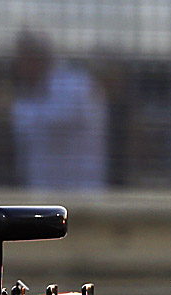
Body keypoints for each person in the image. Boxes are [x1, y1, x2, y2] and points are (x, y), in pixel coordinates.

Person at [11, 31, 107, 190]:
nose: (19, 67)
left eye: (23, 60)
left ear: (36, 58)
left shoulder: (74, 84)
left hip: (80, 192)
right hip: (41, 192)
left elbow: (58, 120)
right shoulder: (29, 93)